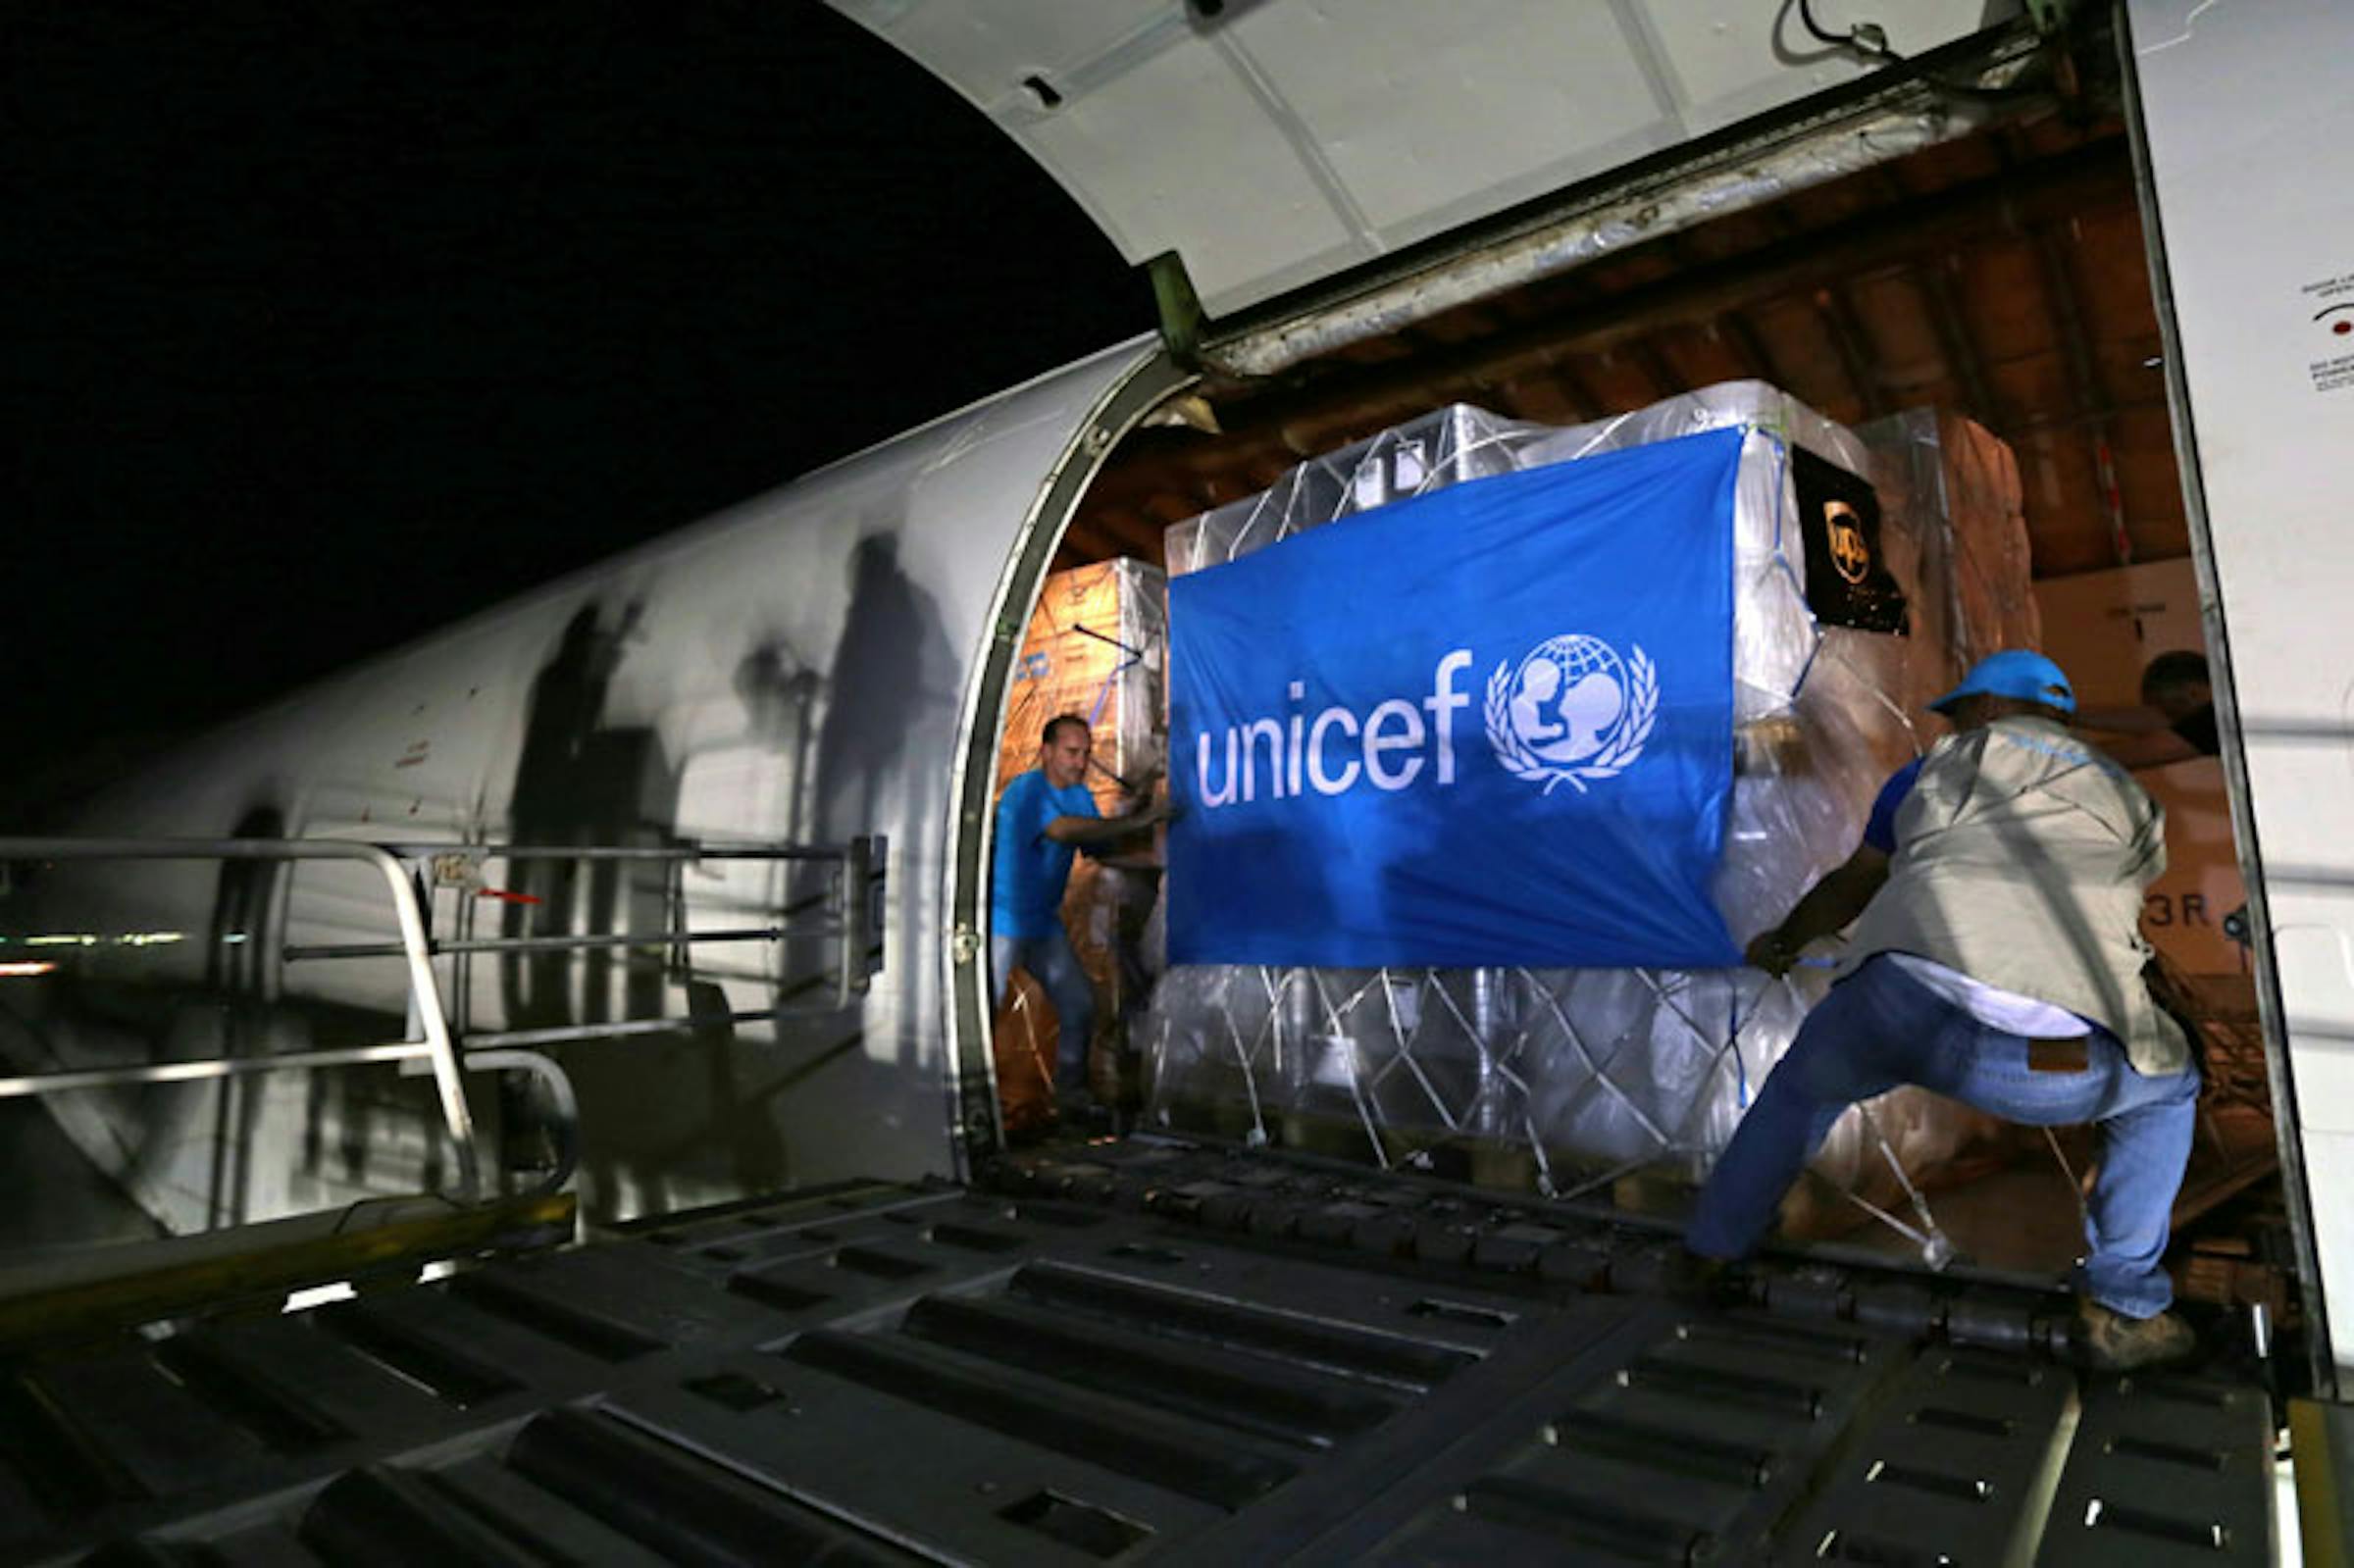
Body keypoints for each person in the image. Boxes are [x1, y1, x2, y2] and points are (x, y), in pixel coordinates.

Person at [1686, 650, 2204, 1370]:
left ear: (1990, 708)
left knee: (1800, 1089)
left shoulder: (1927, 772)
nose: (1954, 723)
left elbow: (1852, 885)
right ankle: (2122, 1307)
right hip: (2049, 1054)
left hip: (1897, 1004)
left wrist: (1782, 940)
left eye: (1961, 709)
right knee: (2166, 1088)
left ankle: (1713, 1249)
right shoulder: (2126, 795)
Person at [992, 714, 1173, 1108]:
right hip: (1001, 922)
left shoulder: (1079, 796)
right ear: (1046, 752)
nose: (1080, 762)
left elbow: (1099, 851)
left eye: (1086, 754)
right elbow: (1066, 832)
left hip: (1041, 924)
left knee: (1079, 1006)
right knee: (982, 1008)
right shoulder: (1026, 793)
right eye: (1072, 753)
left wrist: (1164, 862)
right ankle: (974, 1096)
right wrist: (1140, 818)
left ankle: (1070, 1097)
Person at [2076, 648, 2218, 767]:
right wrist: (2066, 714)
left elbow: (2141, 752)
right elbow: (2155, 719)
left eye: (2172, 711)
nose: (2176, 725)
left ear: (2193, 693)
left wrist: (2065, 756)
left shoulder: (2213, 718)